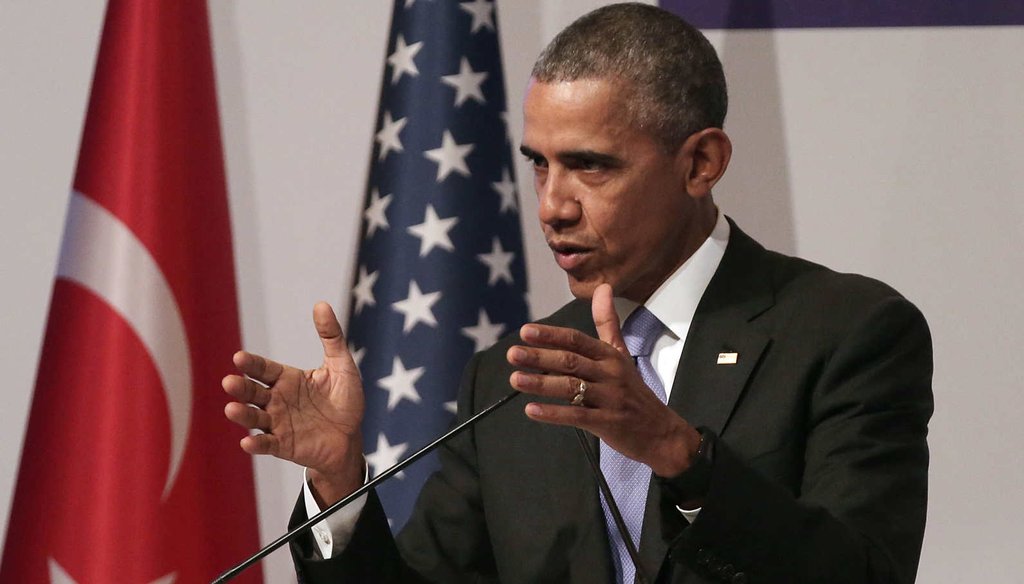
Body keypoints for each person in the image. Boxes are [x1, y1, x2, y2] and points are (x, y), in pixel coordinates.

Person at [223, 4, 933, 583]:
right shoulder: (514, 377)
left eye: (590, 166)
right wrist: (339, 484)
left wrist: (672, 448)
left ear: (701, 163)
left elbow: (865, 573)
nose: (553, 205)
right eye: (539, 164)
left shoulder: (847, 332)